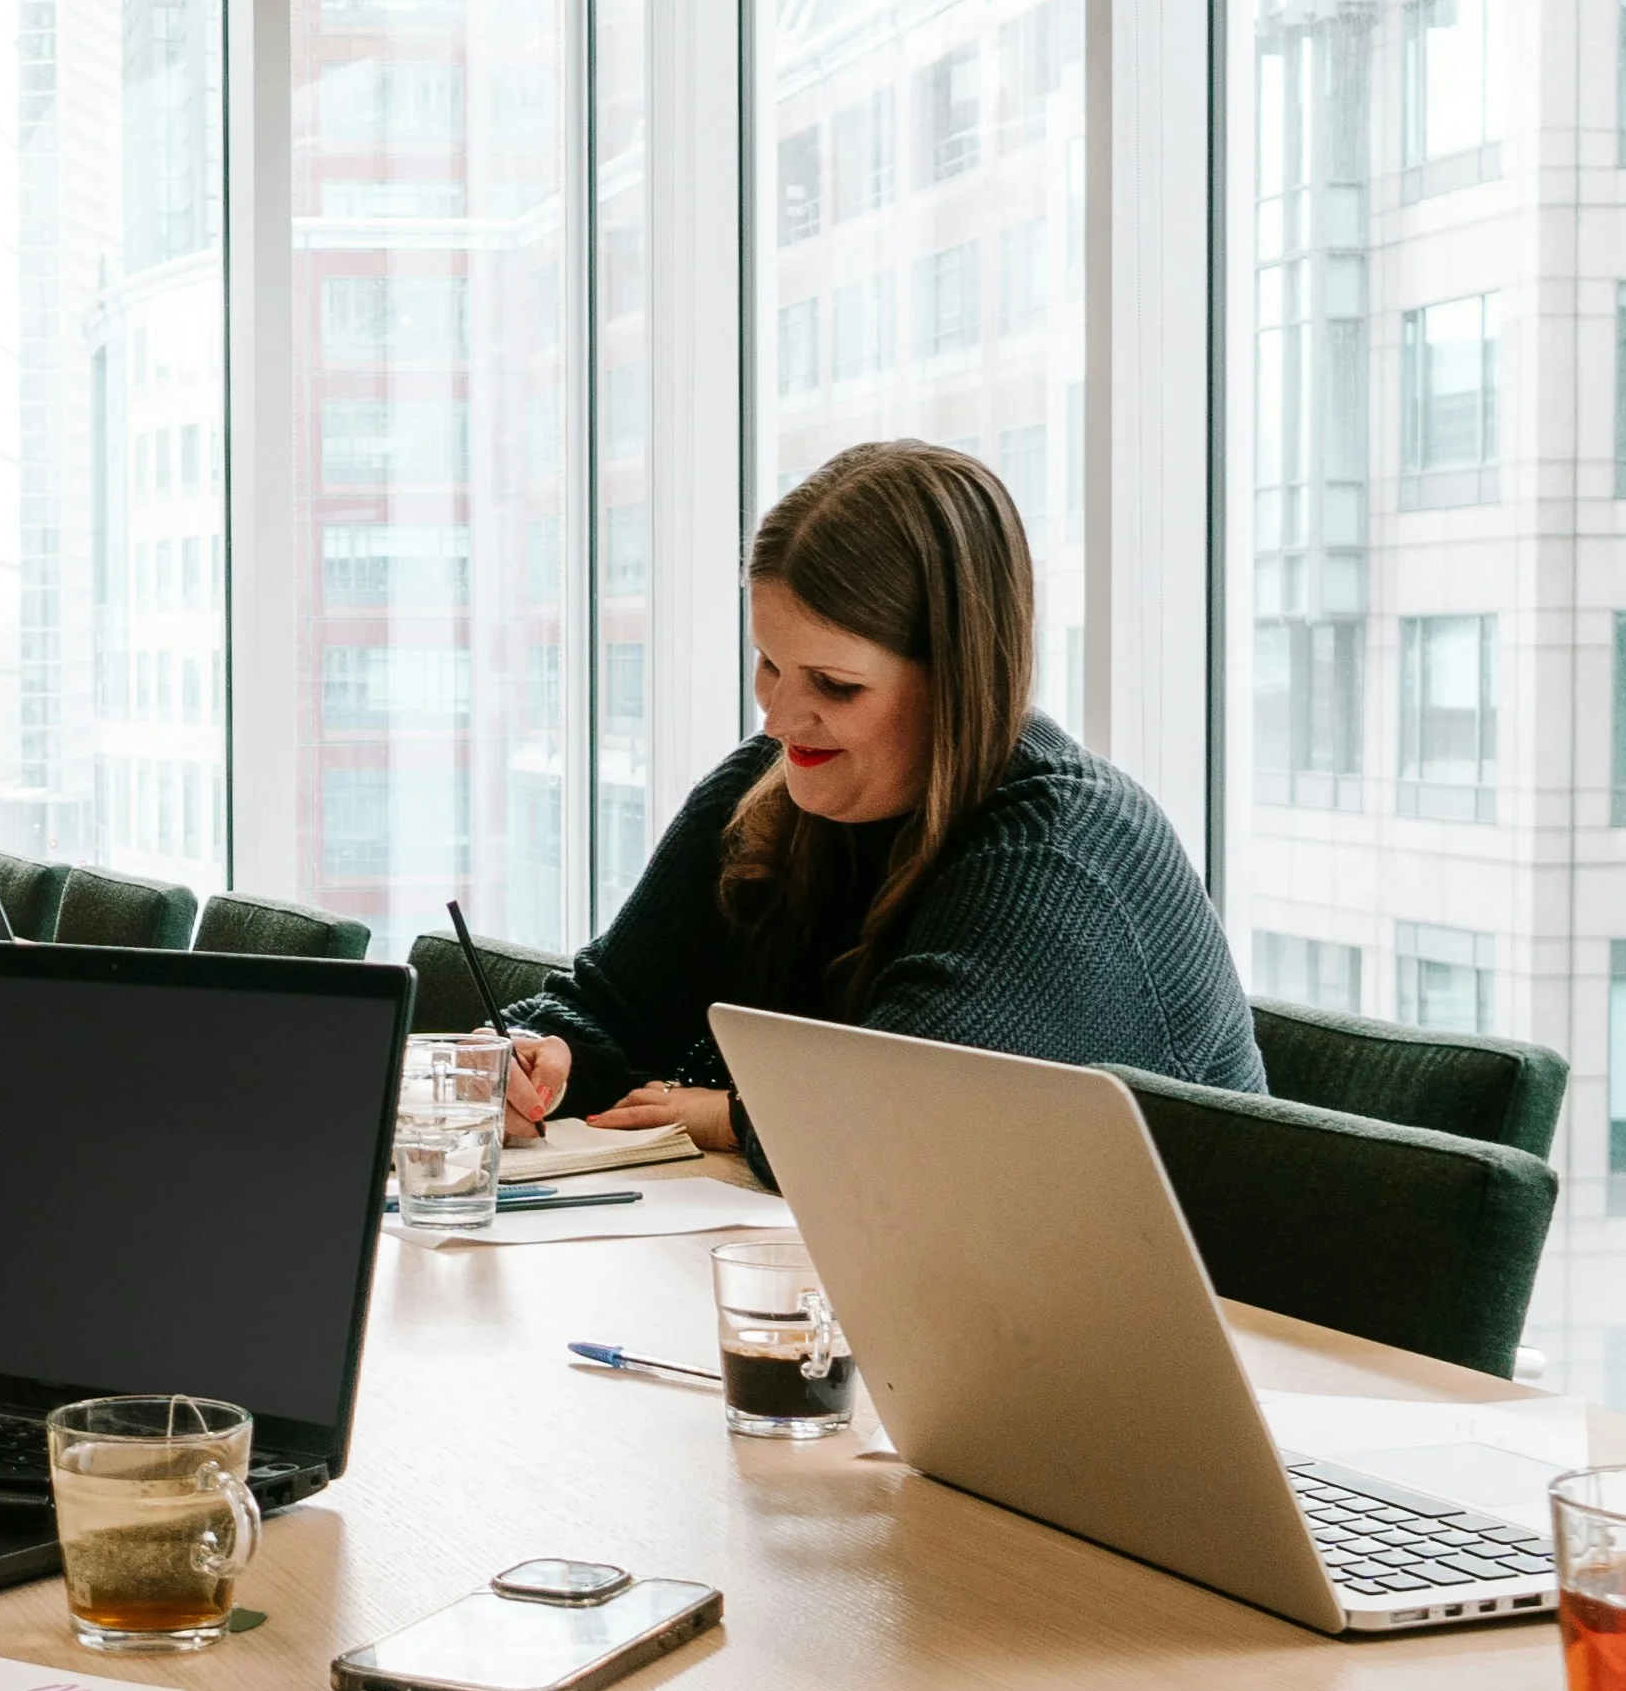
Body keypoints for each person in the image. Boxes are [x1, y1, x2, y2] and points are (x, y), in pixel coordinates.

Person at [497, 437, 1255, 1162]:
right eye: (769, 662)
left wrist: (729, 1115)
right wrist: (536, 1058)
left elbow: (885, 1120)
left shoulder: (1062, 850)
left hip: (1194, 1295)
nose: (778, 717)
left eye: (836, 684)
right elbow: (610, 1007)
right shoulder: (766, 784)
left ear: (956, 681)